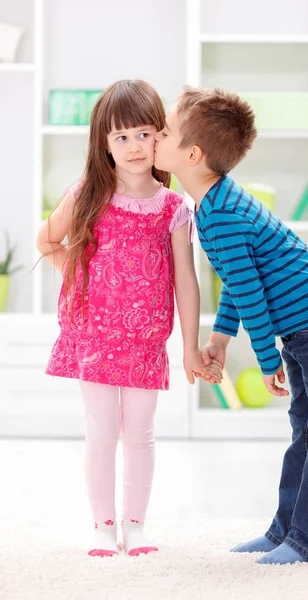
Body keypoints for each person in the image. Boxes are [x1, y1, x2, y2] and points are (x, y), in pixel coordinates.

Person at [153, 86, 308, 565]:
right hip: (304, 326)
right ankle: (285, 531)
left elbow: (249, 292)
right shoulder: (213, 204)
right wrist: (221, 338)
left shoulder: (221, 212)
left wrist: (266, 362)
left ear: (192, 153)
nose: (156, 139)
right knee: (305, 430)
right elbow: (239, 280)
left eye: (163, 131)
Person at [36, 80, 222, 557]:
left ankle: (135, 527)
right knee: (101, 431)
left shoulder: (174, 208)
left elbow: (186, 280)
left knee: (139, 433)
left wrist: (187, 346)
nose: (135, 147)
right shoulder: (89, 194)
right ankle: (103, 526)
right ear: (105, 144)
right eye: (122, 137)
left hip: (145, 342)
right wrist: (82, 281)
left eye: (144, 134)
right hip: (94, 336)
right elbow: (48, 242)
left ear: (160, 135)